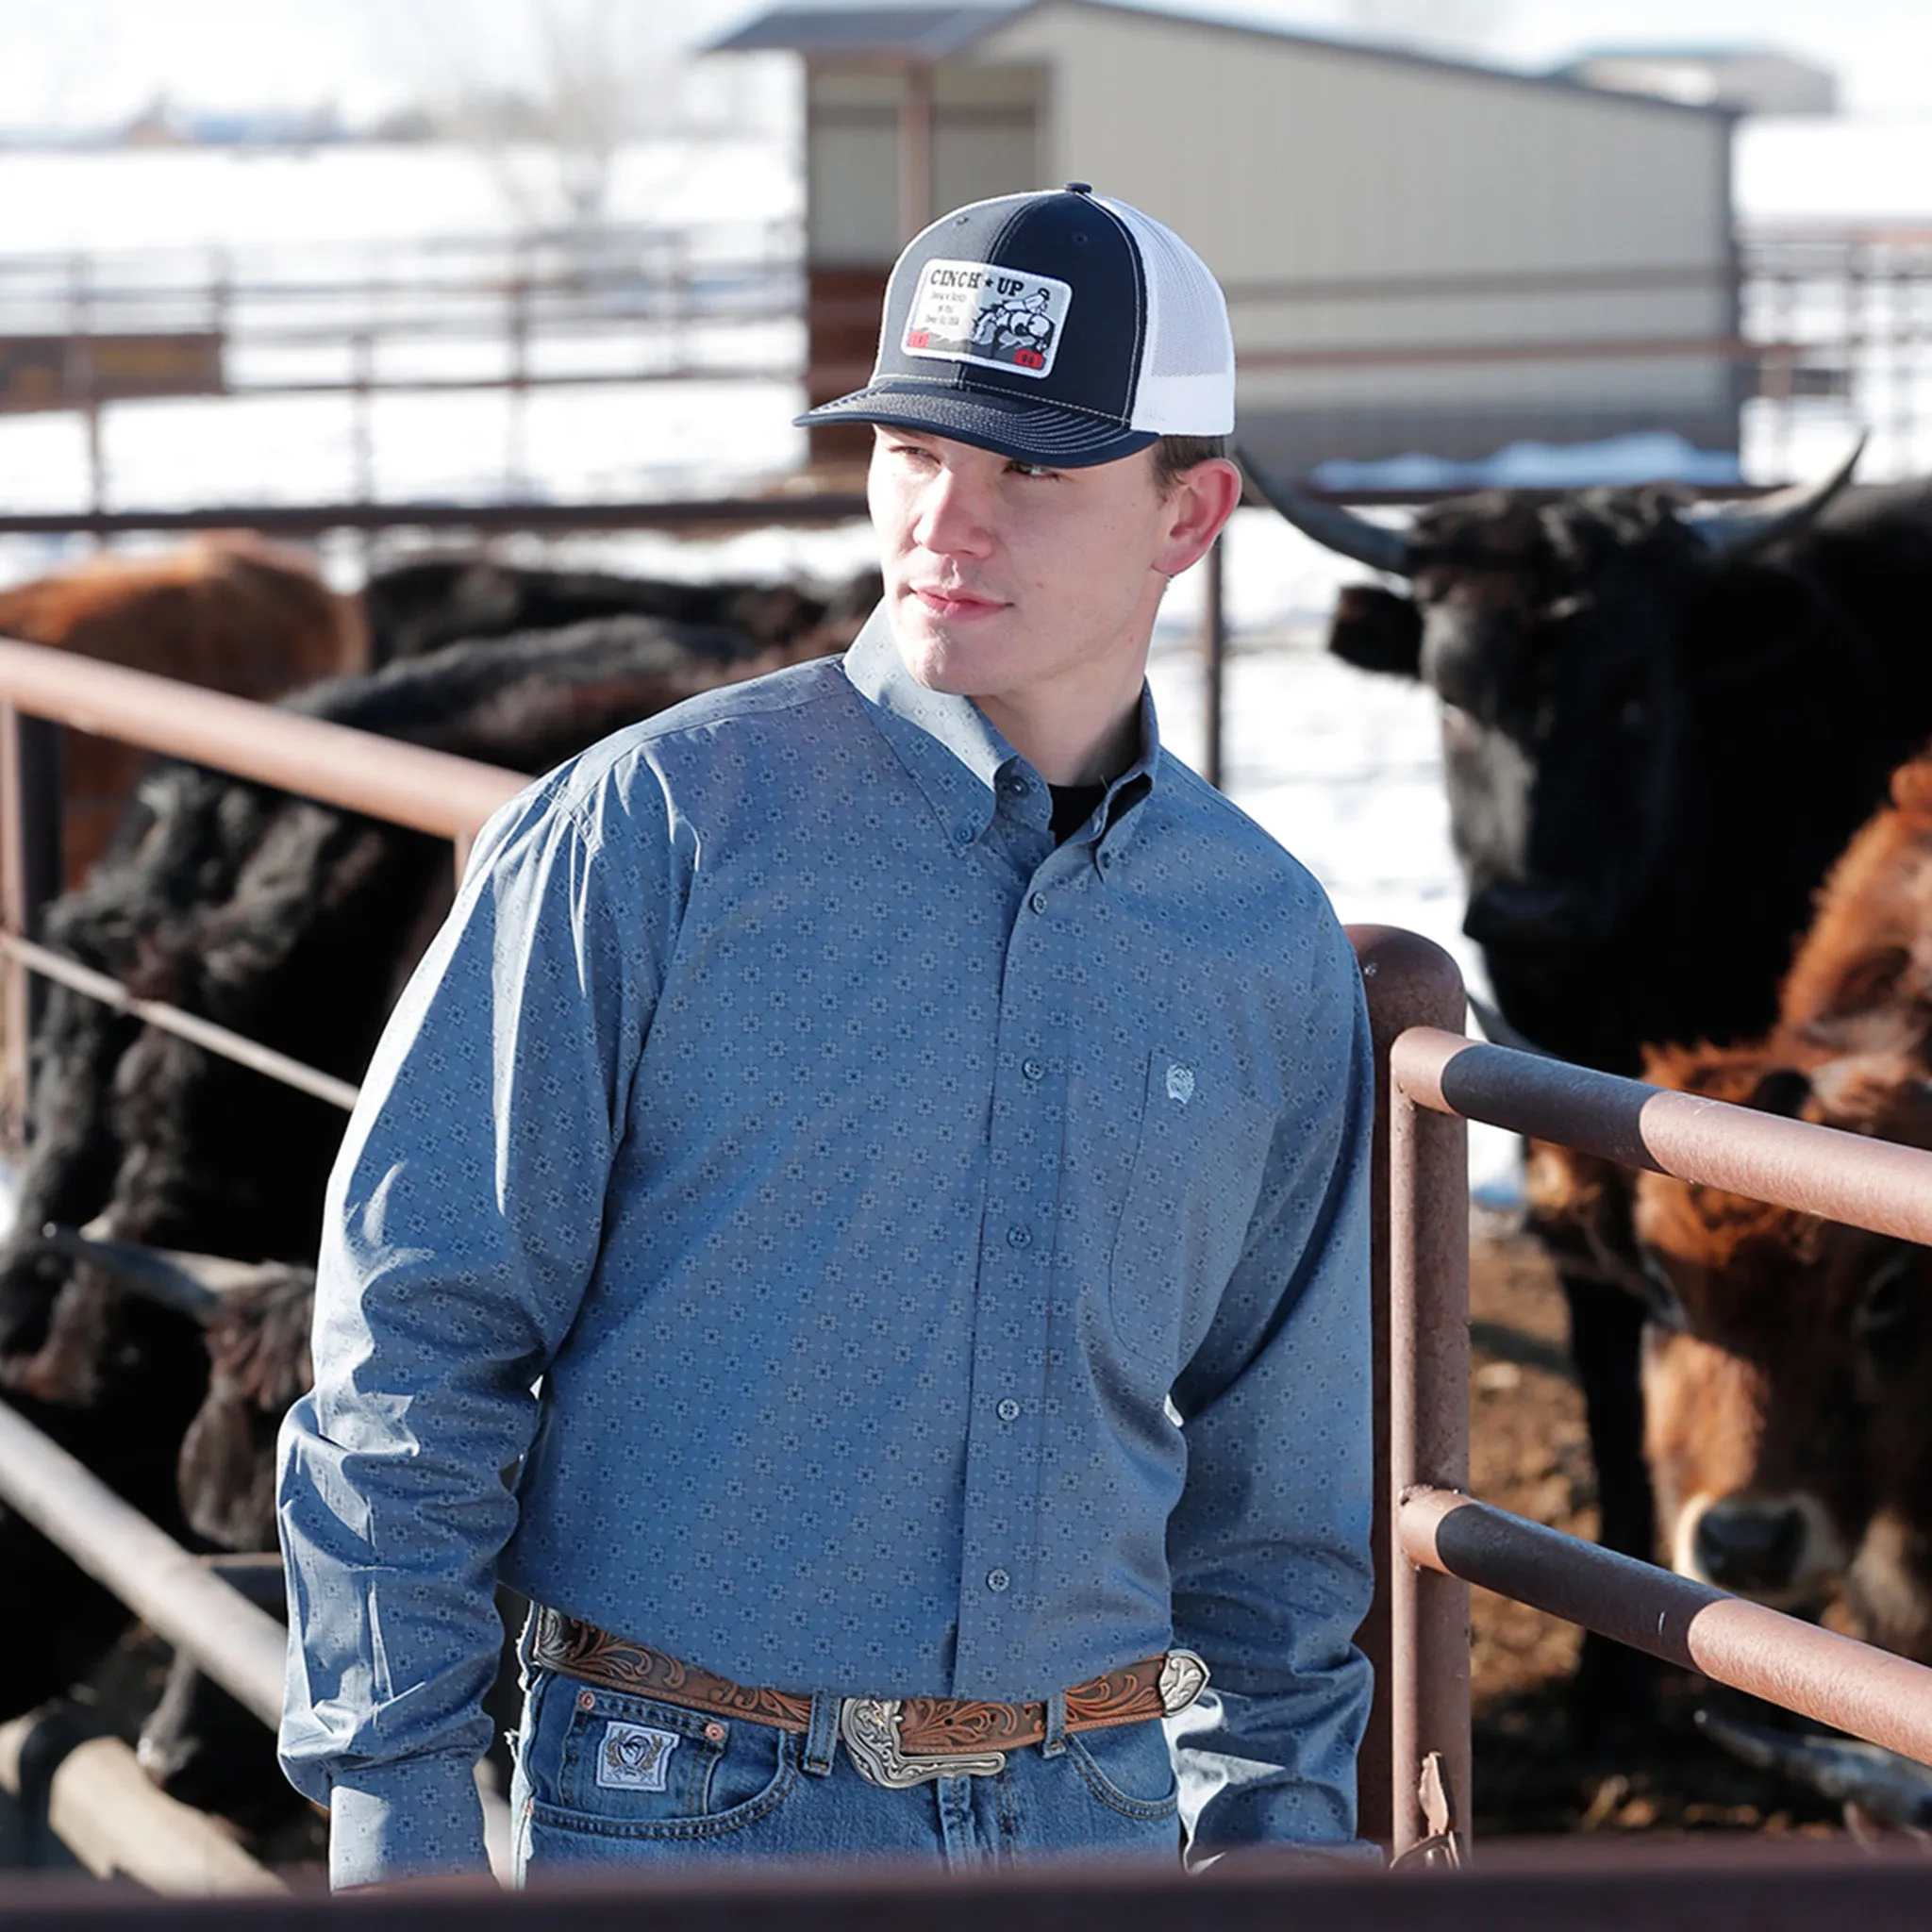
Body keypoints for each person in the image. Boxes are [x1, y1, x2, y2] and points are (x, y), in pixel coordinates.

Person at [276, 184, 1375, 1890]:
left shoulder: (1261, 940)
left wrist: (1279, 1826)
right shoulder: (650, 832)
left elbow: (1278, 1478)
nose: (948, 519)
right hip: (680, 1807)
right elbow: (419, 1340)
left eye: (1032, 469)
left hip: (1095, 1816)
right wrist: (397, 1807)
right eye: (916, 453)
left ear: (1192, 514)